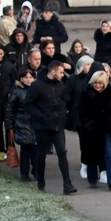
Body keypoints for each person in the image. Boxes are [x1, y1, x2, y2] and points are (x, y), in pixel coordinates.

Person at [26, 60, 76, 195]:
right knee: (41, 153)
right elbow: (28, 104)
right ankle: (40, 181)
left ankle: (67, 183)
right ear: (52, 72)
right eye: (60, 72)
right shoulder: (37, 86)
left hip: (58, 124)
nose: (62, 75)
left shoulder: (60, 84)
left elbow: (65, 98)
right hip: (42, 125)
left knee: (62, 151)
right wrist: (40, 116)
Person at [80, 70, 111, 191]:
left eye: (100, 83)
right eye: (96, 83)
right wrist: (87, 125)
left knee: (109, 154)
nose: (98, 85)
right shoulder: (86, 94)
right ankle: (92, 179)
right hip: (92, 128)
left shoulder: (110, 93)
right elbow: (81, 111)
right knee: (92, 153)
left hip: (106, 127)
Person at [5, 67, 37, 182]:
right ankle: (24, 174)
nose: (28, 80)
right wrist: (9, 125)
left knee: (36, 149)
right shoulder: (17, 92)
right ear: (21, 79)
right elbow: (10, 109)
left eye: (30, 77)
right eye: (25, 77)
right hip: (22, 123)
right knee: (26, 150)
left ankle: (36, 171)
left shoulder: (36, 90)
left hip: (35, 123)